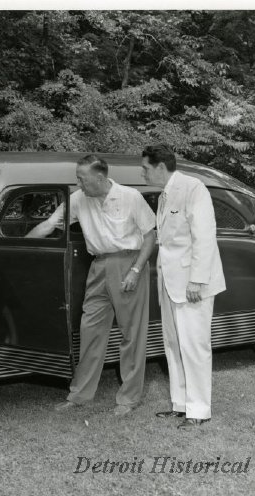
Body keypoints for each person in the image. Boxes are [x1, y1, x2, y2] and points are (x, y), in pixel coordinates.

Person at [27, 155, 156, 417]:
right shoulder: (78, 198)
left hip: (128, 264)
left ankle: (128, 400)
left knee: (132, 335)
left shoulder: (130, 197)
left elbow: (150, 235)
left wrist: (135, 270)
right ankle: (79, 396)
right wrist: (23, 246)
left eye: (81, 179)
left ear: (99, 178)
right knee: (90, 331)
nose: (78, 183)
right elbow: (49, 224)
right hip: (98, 266)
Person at [140, 144, 226, 430]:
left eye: (146, 167)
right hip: (169, 282)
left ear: (160, 167)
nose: (143, 172)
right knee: (173, 344)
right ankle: (180, 405)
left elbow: (204, 237)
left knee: (194, 346)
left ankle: (199, 411)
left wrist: (197, 280)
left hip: (192, 283)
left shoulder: (193, 188)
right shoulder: (164, 194)